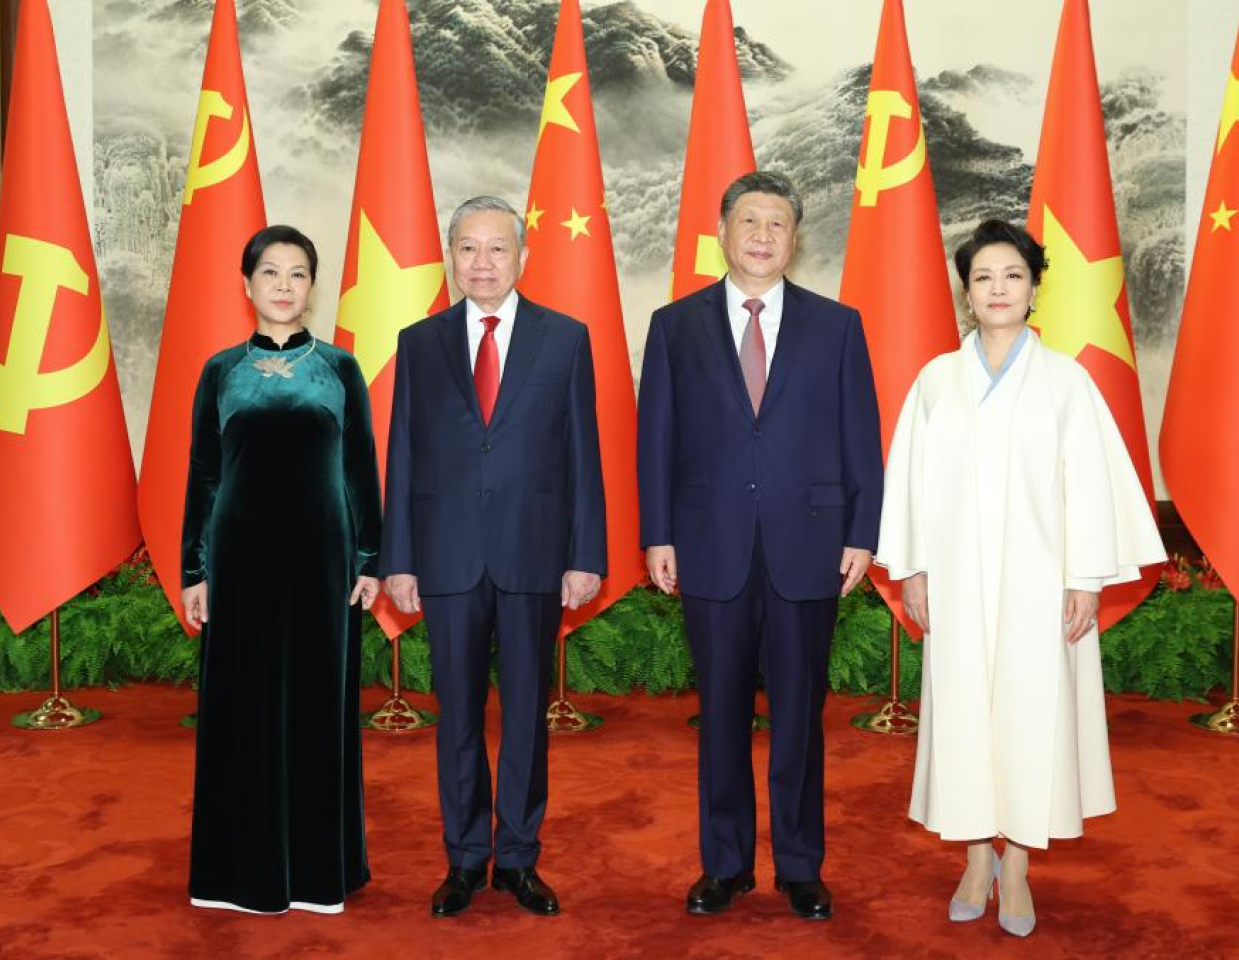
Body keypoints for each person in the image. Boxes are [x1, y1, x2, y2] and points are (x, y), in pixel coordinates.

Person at [875, 219, 1165, 937]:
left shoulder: (1067, 382)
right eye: (983, 278)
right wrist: (911, 567)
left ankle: (1020, 866)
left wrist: (1087, 577)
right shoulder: (936, 382)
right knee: (966, 709)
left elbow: (1092, 486)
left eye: (1012, 275)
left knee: (1037, 715)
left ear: (1035, 287)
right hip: (955, 580)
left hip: (1043, 583)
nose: (998, 289)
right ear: (965, 292)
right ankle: (977, 854)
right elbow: (908, 480)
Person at [637, 171, 883, 920]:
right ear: (723, 231)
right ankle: (726, 864)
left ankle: (801, 866)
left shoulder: (837, 325)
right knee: (719, 717)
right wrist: (657, 535)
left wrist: (862, 535)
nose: (763, 236)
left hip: (808, 548)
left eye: (778, 224)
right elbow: (656, 441)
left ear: (795, 237)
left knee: (802, 717)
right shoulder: (674, 324)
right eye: (750, 221)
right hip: (710, 547)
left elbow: (860, 440)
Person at [380, 196, 606, 919]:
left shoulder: (565, 339)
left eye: (497, 249)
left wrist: (585, 554)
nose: (482, 262)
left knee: (528, 717)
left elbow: (583, 456)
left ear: (522, 257)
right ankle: (464, 859)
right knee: (457, 719)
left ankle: (518, 860)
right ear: (451, 255)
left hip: (535, 556)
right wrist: (400, 559)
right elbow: (405, 455)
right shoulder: (419, 343)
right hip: (445, 561)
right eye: (468, 248)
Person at [180, 225, 382, 914]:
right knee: (241, 703)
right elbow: (203, 477)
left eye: (298, 274)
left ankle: (318, 873)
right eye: (271, 273)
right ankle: (235, 875)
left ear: (311, 287)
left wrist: (371, 560)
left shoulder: (341, 369)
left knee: (319, 704)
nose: (284, 286)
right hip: (236, 562)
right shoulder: (219, 372)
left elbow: (360, 471)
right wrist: (193, 571)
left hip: (324, 564)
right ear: (247, 285)